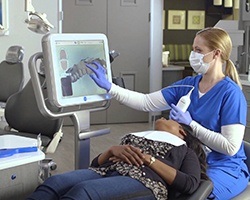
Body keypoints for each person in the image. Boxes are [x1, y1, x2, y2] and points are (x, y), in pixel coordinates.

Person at [86, 27, 249, 200]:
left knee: (191, 194)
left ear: (216, 54)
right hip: (191, 161)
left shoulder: (231, 94)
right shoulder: (188, 85)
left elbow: (230, 148)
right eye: (193, 49)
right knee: (154, 186)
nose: (193, 55)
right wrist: (110, 87)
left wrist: (192, 124)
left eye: (199, 50)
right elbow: (146, 102)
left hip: (223, 167)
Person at [27, 118, 207, 200]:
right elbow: (95, 165)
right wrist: (111, 150)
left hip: (143, 181)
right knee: (55, 182)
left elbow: (190, 183)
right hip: (105, 171)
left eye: (171, 119)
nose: (164, 117)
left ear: (181, 132)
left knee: (83, 192)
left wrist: (148, 159)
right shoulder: (141, 135)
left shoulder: (183, 149)